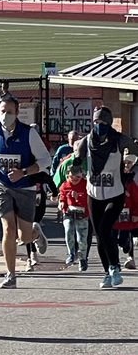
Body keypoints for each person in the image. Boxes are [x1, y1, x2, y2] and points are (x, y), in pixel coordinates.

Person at [0, 94, 51, 289]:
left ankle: (35, 233)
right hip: (2, 186)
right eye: (3, 112)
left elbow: (46, 160)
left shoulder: (28, 133)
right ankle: (10, 274)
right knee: (8, 229)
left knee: (24, 236)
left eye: (9, 112)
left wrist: (24, 172)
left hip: (25, 188)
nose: (5, 116)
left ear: (17, 113)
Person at [74, 107, 138, 289]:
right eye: (95, 122)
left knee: (104, 228)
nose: (98, 126)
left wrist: (129, 161)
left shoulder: (118, 139)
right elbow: (77, 159)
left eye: (102, 123)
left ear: (109, 123)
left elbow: (133, 150)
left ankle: (115, 268)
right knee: (100, 236)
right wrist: (77, 166)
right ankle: (107, 273)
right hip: (93, 193)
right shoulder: (86, 141)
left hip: (114, 194)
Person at [58, 163, 90, 271]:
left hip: (82, 214)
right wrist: (62, 202)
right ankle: (71, 253)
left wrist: (79, 198)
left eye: (78, 177)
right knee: (68, 232)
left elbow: (89, 200)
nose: (75, 179)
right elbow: (62, 196)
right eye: (72, 177)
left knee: (82, 238)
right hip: (69, 213)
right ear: (68, 176)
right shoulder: (65, 185)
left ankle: (82, 258)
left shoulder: (86, 185)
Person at [115, 158, 138, 268]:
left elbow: (136, 199)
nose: (126, 166)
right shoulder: (115, 178)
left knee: (123, 240)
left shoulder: (131, 182)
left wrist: (135, 214)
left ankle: (127, 245)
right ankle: (114, 263)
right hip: (114, 213)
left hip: (126, 214)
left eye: (129, 163)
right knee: (112, 238)